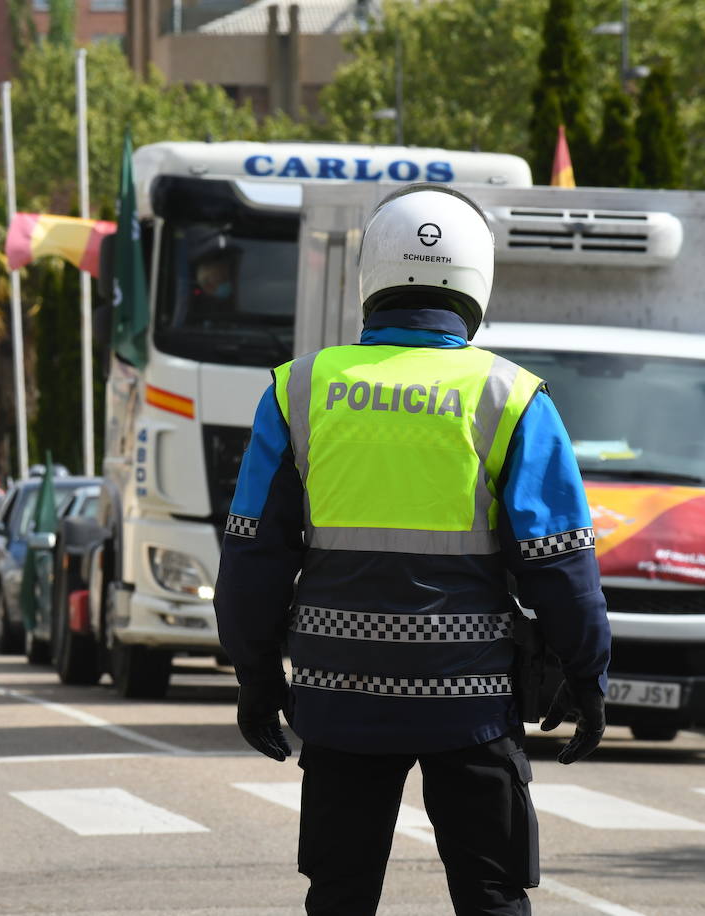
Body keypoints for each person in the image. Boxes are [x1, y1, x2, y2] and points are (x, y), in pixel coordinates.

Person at [215, 184, 612, 916]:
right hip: (471, 701)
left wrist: (254, 673)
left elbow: (252, 553)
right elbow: (561, 561)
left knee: (339, 896)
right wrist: (587, 675)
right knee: (491, 895)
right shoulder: (513, 396)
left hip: (338, 697)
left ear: (373, 275)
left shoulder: (299, 390)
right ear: (476, 278)